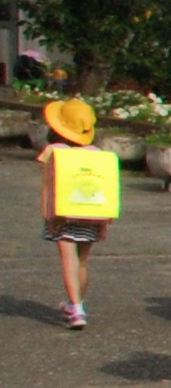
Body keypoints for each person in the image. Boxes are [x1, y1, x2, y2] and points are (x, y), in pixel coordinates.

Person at [36, 95, 110, 330]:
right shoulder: (97, 153)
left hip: (63, 213)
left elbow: (48, 183)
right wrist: (103, 223)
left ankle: (76, 310)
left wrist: (48, 217)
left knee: (68, 259)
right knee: (82, 261)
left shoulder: (54, 151)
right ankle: (75, 302)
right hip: (91, 214)